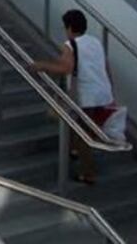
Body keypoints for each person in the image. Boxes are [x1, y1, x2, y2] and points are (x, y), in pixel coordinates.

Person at [30, 10, 114, 185]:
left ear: (69, 27)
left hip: (86, 95)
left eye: (65, 26)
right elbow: (106, 66)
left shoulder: (70, 45)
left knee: (82, 133)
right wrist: (110, 90)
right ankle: (74, 149)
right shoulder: (95, 42)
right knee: (81, 126)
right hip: (102, 92)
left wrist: (41, 66)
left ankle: (88, 173)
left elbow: (66, 68)